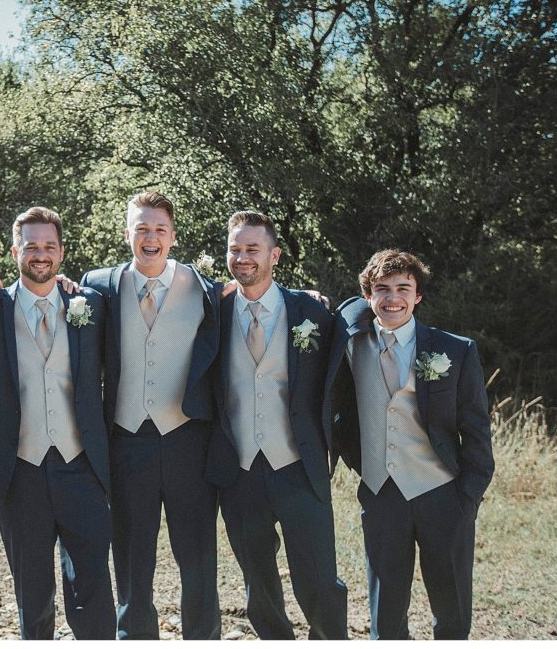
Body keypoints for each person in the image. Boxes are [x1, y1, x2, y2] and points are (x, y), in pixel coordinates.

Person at [324, 249, 494, 639]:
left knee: (451, 608)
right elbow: (342, 313)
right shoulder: (350, 342)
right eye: (382, 289)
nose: (393, 297)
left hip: (444, 493)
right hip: (381, 492)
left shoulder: (454, 349)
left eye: (404, 288)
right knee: (386, 612)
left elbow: (477, 428)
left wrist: (468, 495)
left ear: (418, 295)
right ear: (368, 296)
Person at [80, 191, 222, 640]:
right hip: (126, 441)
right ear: (127, 234)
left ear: (173, 236)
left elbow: (258, 294)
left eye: (159, 229)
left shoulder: (204, 289)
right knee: (131, 556)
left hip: (187, 441)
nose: (150, 237)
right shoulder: (97, 285)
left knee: (197, 556)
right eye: (141, 228)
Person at [0, 206, 115, 639]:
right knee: (32, 595)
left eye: (49, 246)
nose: (40, 254)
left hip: (82, 468)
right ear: (15, 251)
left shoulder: (91, 306)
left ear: (62, 252)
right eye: (31, 246)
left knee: (92, 590)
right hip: (20, 472)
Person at [205, 210, 347, 639]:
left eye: (253, 249)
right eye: (235, 249)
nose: (243, 257)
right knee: (259, 585)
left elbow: (359, 310)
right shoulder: (213, 307)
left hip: (298, 465)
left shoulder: (311, 310)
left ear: (275, 255)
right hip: (239, 470)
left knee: (321, 579)